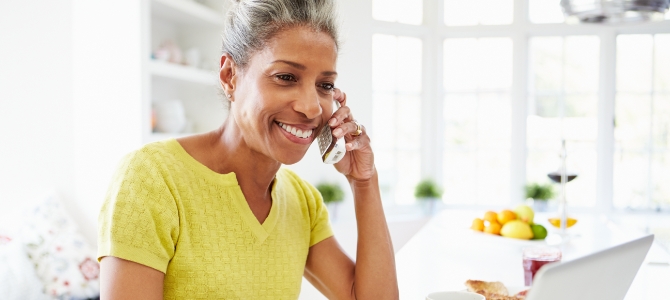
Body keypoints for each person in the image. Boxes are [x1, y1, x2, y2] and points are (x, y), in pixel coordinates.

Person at [97, 0, 399, 299]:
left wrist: (364, 181)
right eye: (285, 77)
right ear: (230, 76)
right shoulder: (152, 179)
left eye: (325, 85)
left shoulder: (302, 202)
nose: (310, 108)